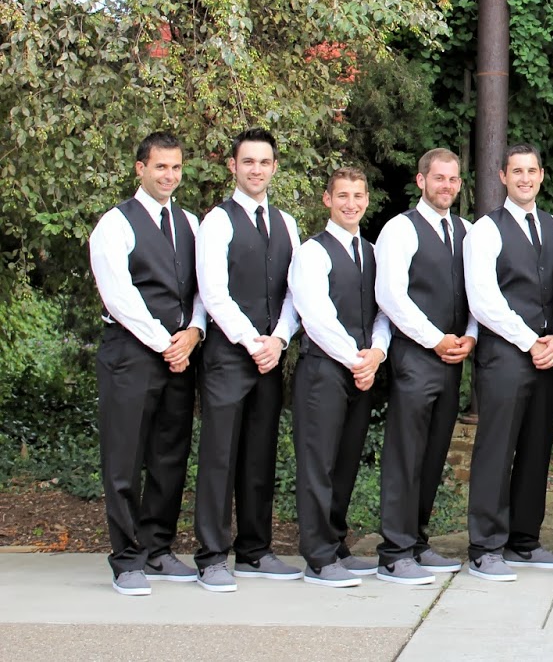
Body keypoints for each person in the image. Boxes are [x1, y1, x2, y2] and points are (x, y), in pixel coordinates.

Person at [88, 132, 206, 596]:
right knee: (125, 457)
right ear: (140, 168)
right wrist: (165, 343)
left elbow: (203, 288)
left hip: (180, 352)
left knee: (169, 455)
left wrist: (194, 332)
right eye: (160, 167)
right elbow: (119, 297)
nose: (169, 176)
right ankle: (126, 559)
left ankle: (158, 548)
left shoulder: (191, 224)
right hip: (132, 353)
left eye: (175, 167)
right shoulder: (115, 224)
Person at [461, 143, 553, 582]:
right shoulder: (485, 230)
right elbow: (483, 299)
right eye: (517, 172)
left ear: (541, 175)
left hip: (549, 352)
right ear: (503, 177)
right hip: (506, 355)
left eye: (531, 171)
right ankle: (485, 547)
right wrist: (531, 341)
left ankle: (523, 541)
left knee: (536, 448)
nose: (525, 179)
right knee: (497, 448)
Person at [194, 126, 302, 590]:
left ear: (274, 167)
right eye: (248, 162)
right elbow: (213, 292)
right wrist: (251, 341)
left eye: (264, 162)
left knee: (260, 455)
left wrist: (278, 339)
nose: (256, 170)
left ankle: (254, 551)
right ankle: (211, 556)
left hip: (270, 357)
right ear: (233, 166)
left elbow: (295, 292)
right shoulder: (217, 222)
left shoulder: (287, 223)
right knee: (219, 456)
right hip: (228, 356)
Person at [374, 148, 476, 585]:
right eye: (438, 178)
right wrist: (435, 339)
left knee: (434, 454)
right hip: (415, 357)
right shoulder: (400, 229)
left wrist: (471, 336)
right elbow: (390, 296)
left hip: (453, 358)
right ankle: (394, 552)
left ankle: (416, 540)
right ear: (421, 181)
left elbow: (477, 293)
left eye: (453, 179)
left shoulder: (467, 232)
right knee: (406, 454)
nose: (446, 186)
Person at [289, 166, 390, 587]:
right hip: (324, 370)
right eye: (343, 195)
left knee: (346, 463)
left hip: (361, 370)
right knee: (319, 464)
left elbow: (384, 310)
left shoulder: (372, 252)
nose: (351, 203)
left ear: (367, 200)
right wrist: (357, 361)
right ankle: (317, 557)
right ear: (327, 200)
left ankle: (335, 545)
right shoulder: (311, 252)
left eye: (358, 195)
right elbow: (316, 317)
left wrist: (377, 353)